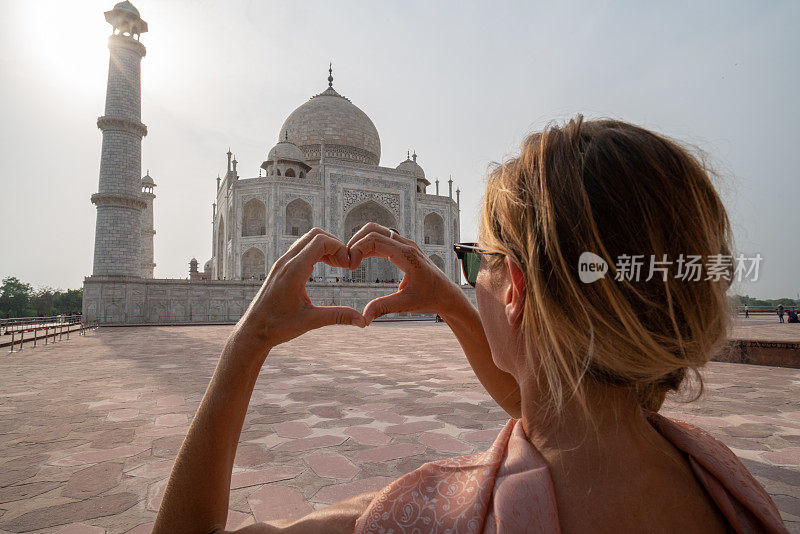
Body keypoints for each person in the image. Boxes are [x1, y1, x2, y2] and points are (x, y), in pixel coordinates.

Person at [153, 117, 786, 533]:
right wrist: (455, 305)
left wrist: (248, 341)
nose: (465, 273)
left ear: (513, 288)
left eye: (473, 260)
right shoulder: (722, 479)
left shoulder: (428, 513)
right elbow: (566, 401)